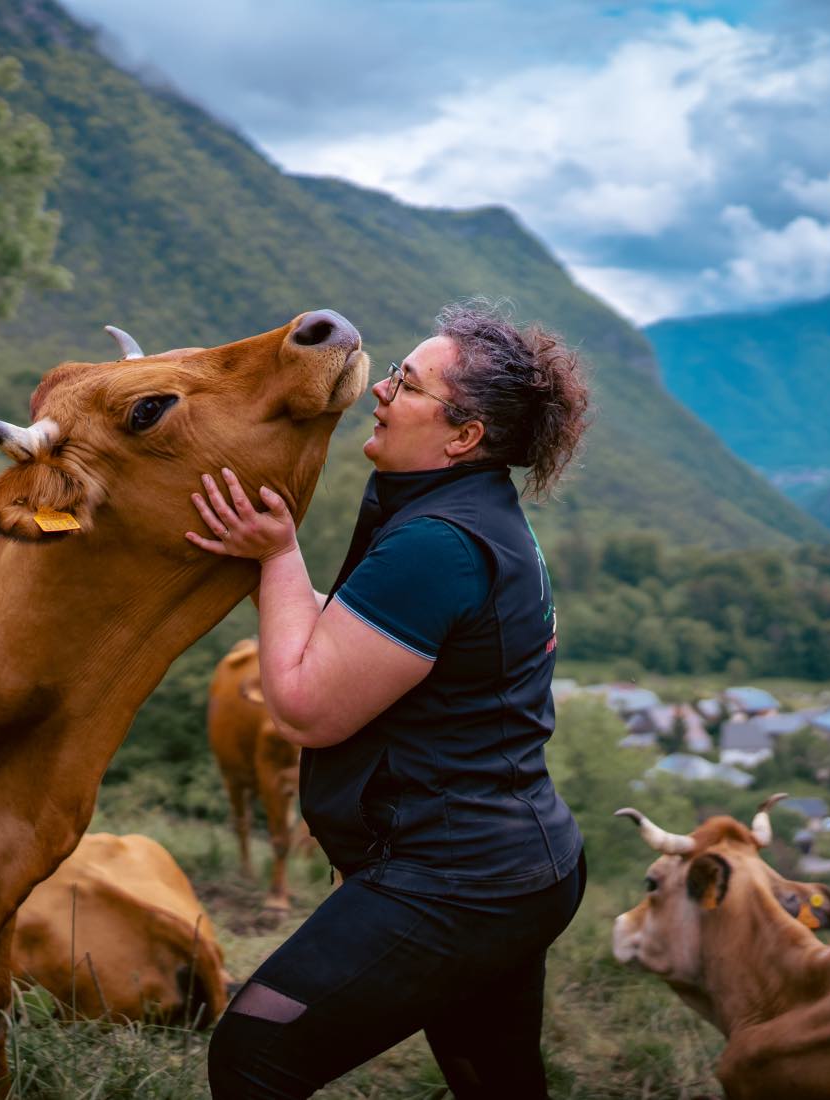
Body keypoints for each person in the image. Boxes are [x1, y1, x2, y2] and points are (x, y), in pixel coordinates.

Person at [189, 301, 591, 1099]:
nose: (380, 391)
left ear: (463, 436)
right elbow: (350, 645)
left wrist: (276, 558)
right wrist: (272, 560)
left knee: (252, 1056)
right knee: (494, 1081)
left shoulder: (438, 543)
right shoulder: (468, 516)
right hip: (516, 866)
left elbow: (305, 707)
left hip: (458, 877)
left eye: (405, 385)